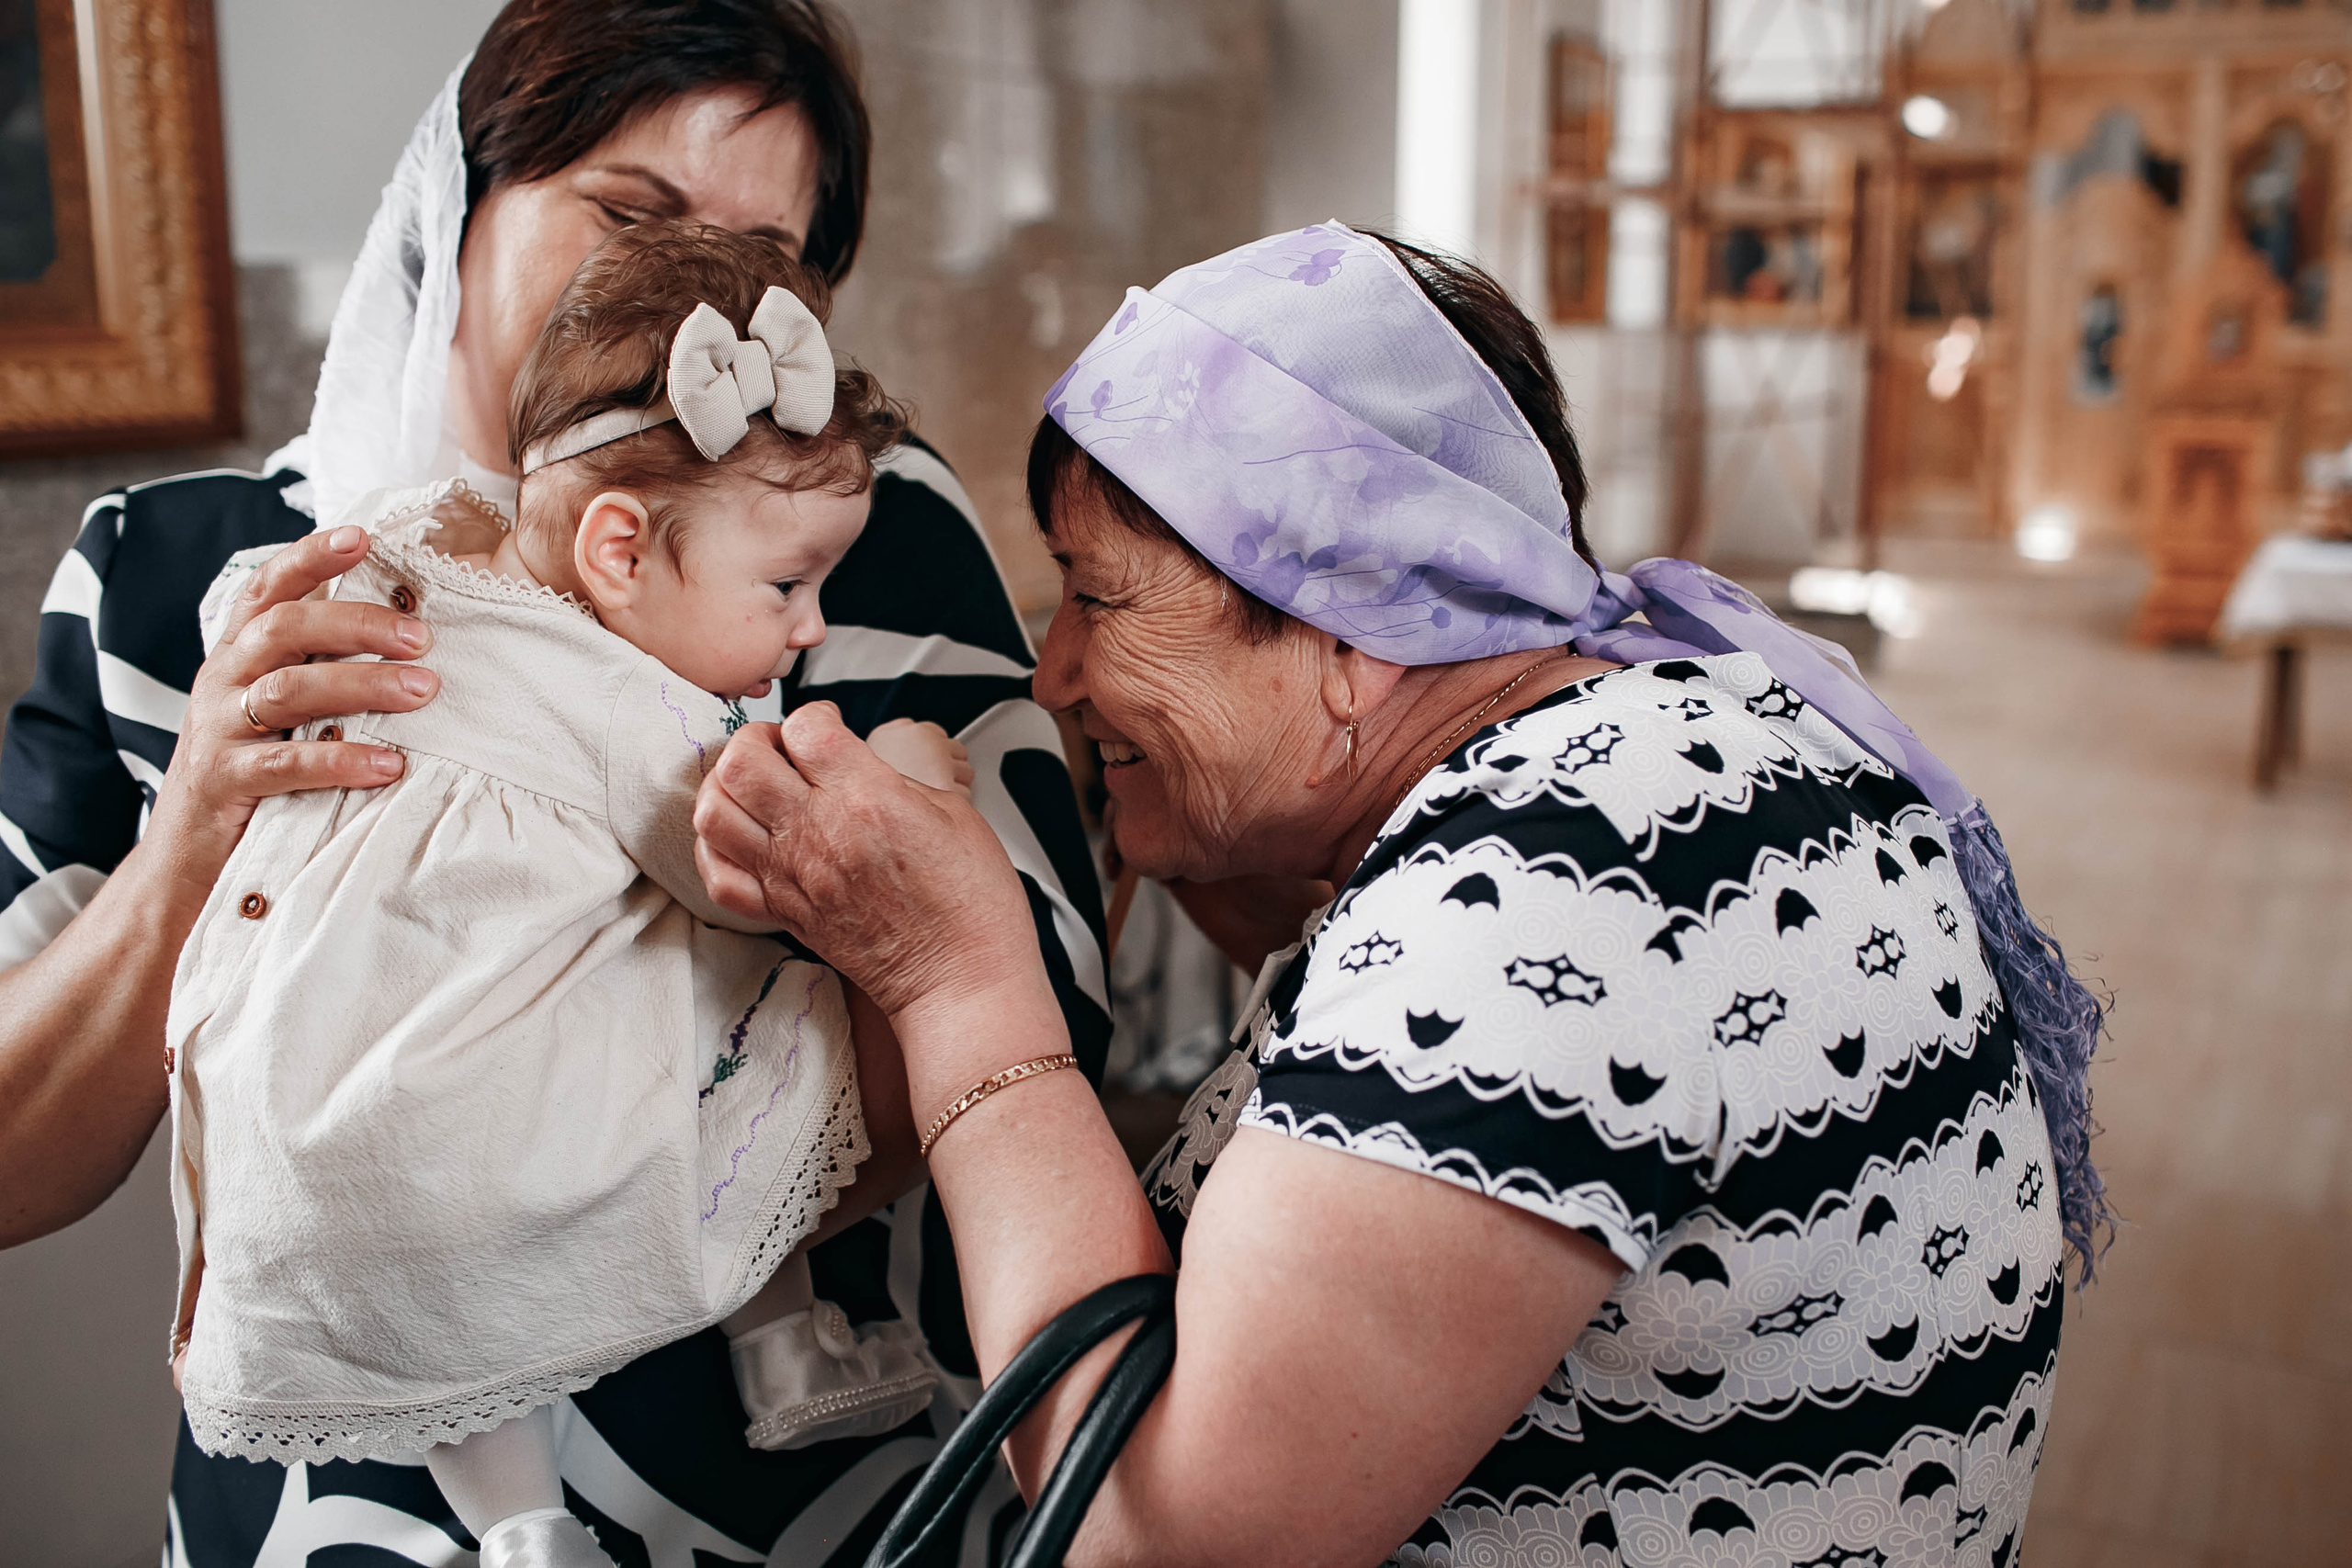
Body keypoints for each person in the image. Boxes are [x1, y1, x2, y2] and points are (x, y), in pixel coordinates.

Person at [695, 222, 2109, 1565]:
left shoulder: (1545, 895)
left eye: (1097, 598)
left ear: (1353, 622)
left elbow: (1147, 1529)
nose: (1055, 672)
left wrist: (957, 976)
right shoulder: (1680, 744)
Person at [0, 5, 1105, 1562]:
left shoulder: (854, 525)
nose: (690, 295)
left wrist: (475, 1179)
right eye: (629, 216)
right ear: (462, 198)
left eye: (763, 259)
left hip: (804, 1510)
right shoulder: (179, 574)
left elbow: (1034, 1003)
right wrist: (194, 838)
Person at [172, 224, 974, 1566]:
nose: (812, 629)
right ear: (619, 552)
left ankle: (523, 1528)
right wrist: (908, 779)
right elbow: (761, 889)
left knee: (459, 1343)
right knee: (781, 996)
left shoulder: (421, 551)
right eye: (788, 584)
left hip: (304, 1129)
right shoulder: (638, 716)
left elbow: (241, 601)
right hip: (484, 1137)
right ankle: (782, 1341)